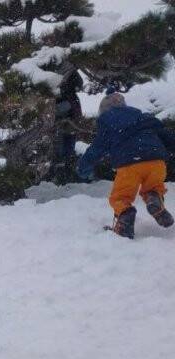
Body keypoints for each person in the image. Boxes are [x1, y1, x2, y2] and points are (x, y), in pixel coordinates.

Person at [77, 91, 175, 239]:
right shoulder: (145, 118)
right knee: (154, 188)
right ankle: (154, 200)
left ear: (104, 111)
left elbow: (97, 148)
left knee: (120, 198)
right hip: (156, 162)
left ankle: (125, 221)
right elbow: (167, 137)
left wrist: (84, 167)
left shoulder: (107, 121)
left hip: (129, 164)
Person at [51, 66, 83, 184]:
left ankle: (63, 171)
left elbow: (79, 83)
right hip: (68, 108)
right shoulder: (67, 69)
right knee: (66, 142)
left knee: (64, 142)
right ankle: (65, 171)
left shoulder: (67, 69)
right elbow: (79, 83)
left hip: (67, 109)